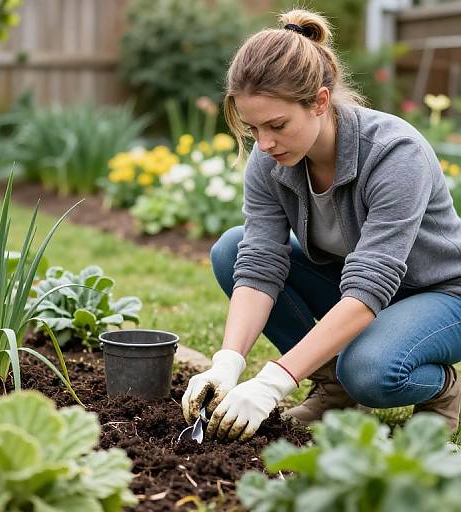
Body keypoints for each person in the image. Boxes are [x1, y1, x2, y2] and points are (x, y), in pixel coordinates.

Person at [181, 7, 461, 442]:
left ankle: (442, 389)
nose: (265, 143)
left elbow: (370, 285)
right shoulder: (270, 158)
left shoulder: (394, 153)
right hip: (360, 288)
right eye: (253, 129)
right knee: (232, 249)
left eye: (277, 125)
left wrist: (275, 380)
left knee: (367, 370)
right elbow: (259, 262)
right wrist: (228, 361)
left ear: (320, 102)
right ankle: (335, 390)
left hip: (441, 294)